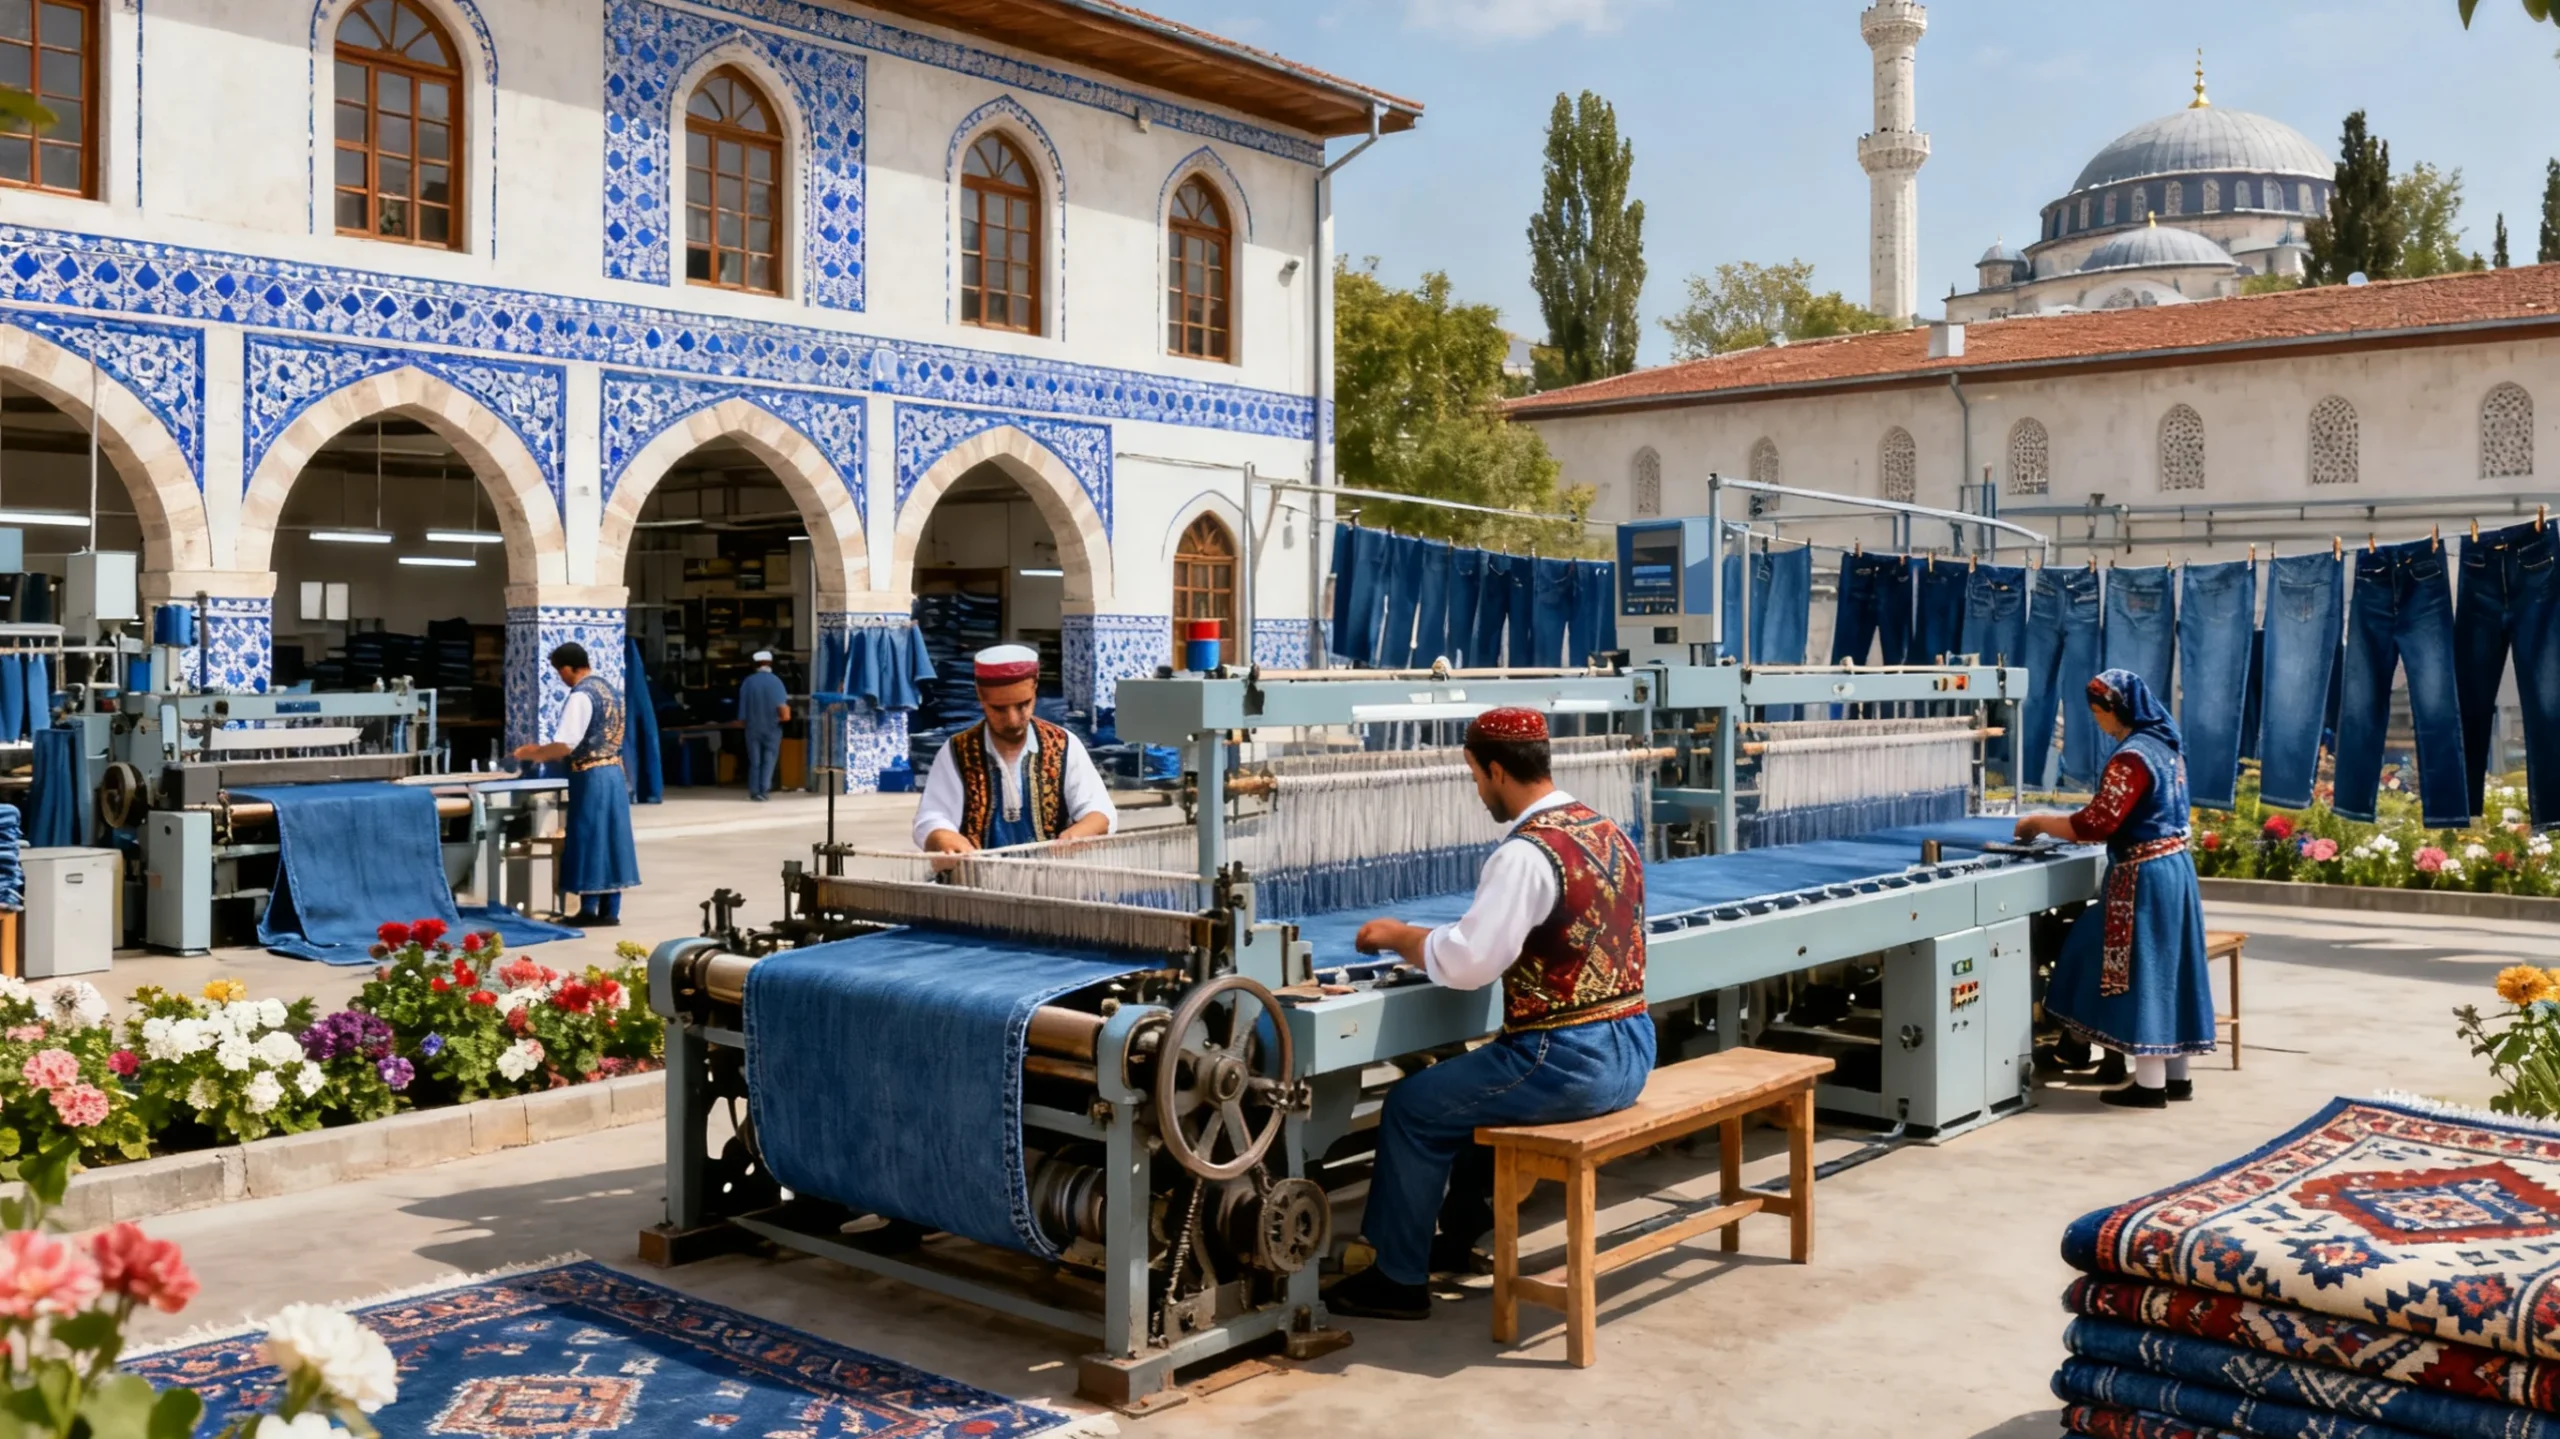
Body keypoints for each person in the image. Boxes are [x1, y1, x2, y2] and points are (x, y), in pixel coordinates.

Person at [1326, 707, 1655, 1322]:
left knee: (1415, 1108)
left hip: (1568, 1062)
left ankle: (1396, 1280)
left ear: (1497, 770)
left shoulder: (1526, 855)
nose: (1478, 791)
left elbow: (1471, 963)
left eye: (1476, 776)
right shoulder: (1607, 831)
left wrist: (1402, 937)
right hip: (1633, 1048)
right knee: (1470, 1088)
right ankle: (1458, 1235)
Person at [2015, 670, 2216, 1108]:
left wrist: (2039, 822)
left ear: (2116, 709)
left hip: (2143, 876)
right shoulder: (2166, 746)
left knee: (2129, 966)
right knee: (2169, 968)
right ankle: (2176, 1077)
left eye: (2098, 712)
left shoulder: (2131, 758)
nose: (2097, 720)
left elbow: (2097, 823)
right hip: (2175, 869)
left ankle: (2147, 1085)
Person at [912, 644, 1116, 851]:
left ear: (1034, 688)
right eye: (999, 709)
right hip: (978, 879)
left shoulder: (1064, 745)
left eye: (1022, 705)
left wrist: (1078, 833)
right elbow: (933, 816)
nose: (1012, 720)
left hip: (1050, 877)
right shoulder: (956, 752)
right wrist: (942, 836)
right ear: (980, 695)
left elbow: (1099, 810)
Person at [510, 643, 642, 927]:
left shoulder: (581, 696)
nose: (561, 677)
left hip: (591, 776)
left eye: (560, 672)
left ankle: (589, 910)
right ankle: (610, 910)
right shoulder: (611, 690)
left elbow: (565, 746)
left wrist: (531, 753)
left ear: (569, 668)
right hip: (614, 773)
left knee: (589, 837)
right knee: (611, 838)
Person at [737, 652, 791, 802]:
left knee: (754, 761)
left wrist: (742, 721)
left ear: (756, 664)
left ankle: (754, 791)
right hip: (772, 727)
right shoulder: (777, 682)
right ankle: (764, 790)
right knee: (769, 759)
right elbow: (782, 705)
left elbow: (742, 708)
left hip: (752, 727)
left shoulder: (748, 682)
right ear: (770, 664)